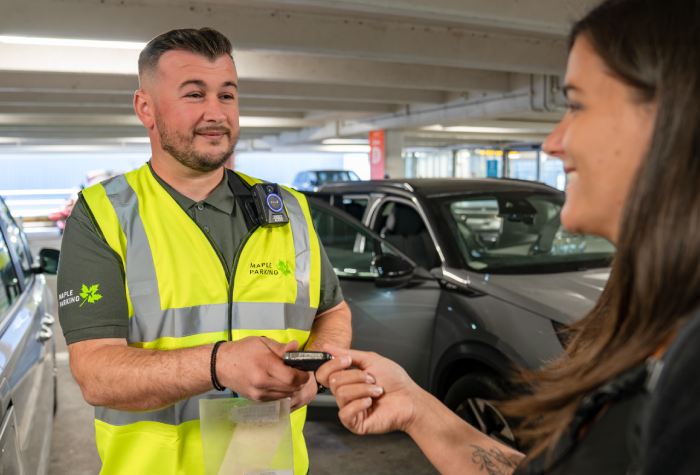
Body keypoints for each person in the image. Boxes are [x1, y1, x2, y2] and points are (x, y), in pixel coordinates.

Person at [316, 0, 700, 473]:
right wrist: (415, 406)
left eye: (576, 104)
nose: (552, 141)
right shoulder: (655, 322)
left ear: (672, 119)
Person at [56, 28, 352, 475]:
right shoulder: (104, 215)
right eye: (195, 94)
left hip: (268, 466)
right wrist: (220, 364)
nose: (216, 113)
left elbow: (333, 312)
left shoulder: (288, 209)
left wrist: (318, 369)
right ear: (145, 108)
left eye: (227, 95)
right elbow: (96, 373)